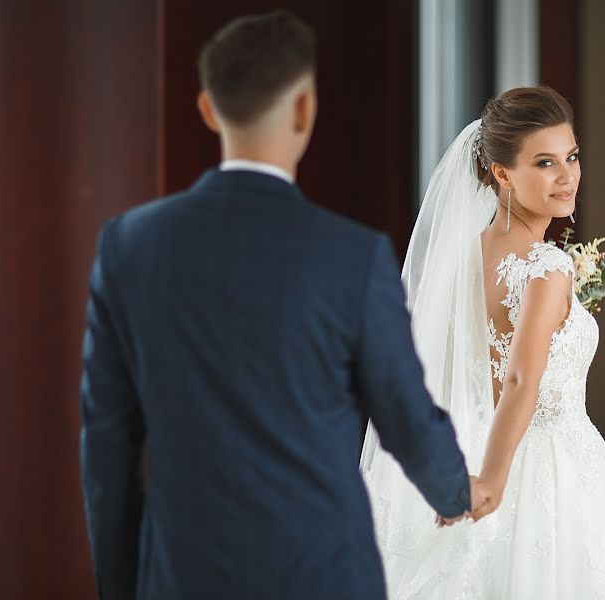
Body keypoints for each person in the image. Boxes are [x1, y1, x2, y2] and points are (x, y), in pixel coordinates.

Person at [79, 12, 487, 600]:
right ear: (304, 109)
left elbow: (107, 447)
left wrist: (122, 586)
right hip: (321, 568)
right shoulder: (354, 256)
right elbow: (403, 411)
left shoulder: (128, 247)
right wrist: (454, 491)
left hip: (183, 572)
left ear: (207, 109)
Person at [361, 86, 605, 599]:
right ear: (502, 173)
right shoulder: (549, 267)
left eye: (571, 157)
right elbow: (522, 378)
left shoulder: (458, 260)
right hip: (550, 468)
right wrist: (492, 482)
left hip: (473, 444)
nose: (567, 176)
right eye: (544, 163)